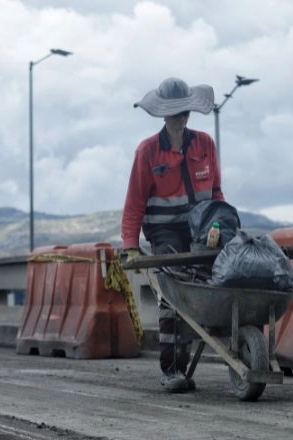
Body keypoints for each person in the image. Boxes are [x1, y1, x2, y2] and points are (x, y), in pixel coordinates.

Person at [121, 77, 224, 393]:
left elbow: (217, 192)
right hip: (165, 231)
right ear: (164, 116)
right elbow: (135, 204)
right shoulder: (148, 152)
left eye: (185, 111)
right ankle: (173, 369)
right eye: (175, 112)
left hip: (202, 227)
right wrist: (130, 246)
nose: (181, 117)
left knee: (216, 282)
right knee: (173, 293)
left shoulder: (205, 143)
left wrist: (220, 225)